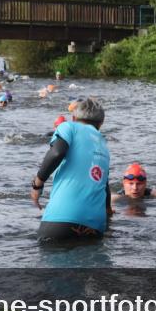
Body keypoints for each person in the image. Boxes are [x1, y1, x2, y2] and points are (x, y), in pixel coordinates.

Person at [30, 97, 111, 243]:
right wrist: (109, 216)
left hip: (61, 218)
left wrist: (37, 184)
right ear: (101, 123)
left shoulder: (68, 127)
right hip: (95, 225)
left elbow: (57, 153)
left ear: (73, 118)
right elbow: (104, 186)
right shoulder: (103, 144)